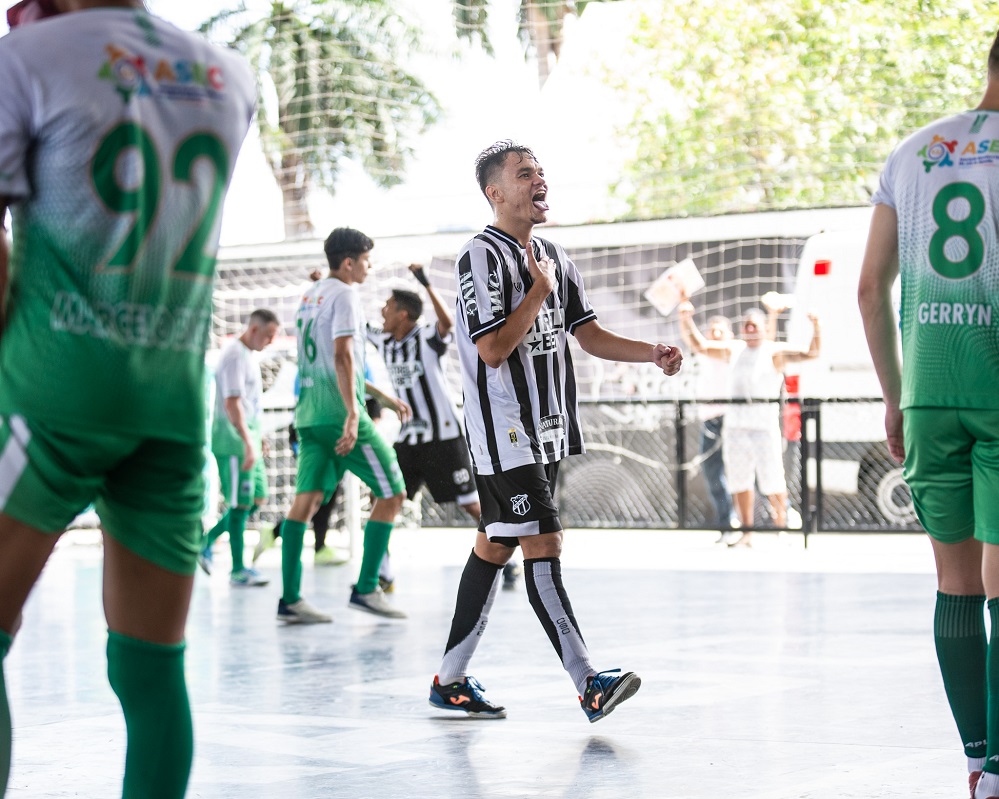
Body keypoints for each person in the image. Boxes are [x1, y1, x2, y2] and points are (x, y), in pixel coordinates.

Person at [0, 1, 255, 795]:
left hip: (51, 395)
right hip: (170, 405)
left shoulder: (27, 58)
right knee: (150, 669)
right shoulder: (230, 74)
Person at [428, 140, 683, 723]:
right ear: (496, 193)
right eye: (525, 174)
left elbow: (588, 335)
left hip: (547, 430)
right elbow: (492, 350)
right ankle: (588, 682)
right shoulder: (479, 257)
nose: (539, 180)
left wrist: (651, 352)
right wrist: (537, 292)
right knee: (544, 542)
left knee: (495, 545)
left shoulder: (555, 256)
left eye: (541, 171)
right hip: (503, 431)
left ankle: (450, 679)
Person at [858, 31, 999, 799]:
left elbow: (867, 288)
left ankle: (976, 761)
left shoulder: (911, 153)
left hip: (927, 395)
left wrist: (893, 393)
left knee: (955, 582)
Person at [276, 227, 410, 623]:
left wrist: (383, 397)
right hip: (339, 417)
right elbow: (342, 356)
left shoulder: (310, 296)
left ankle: (290, 599)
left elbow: (335, 362)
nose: (369, 267)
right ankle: (367, 588)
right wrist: (354, 413)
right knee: (393, 494)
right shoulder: (346, 295)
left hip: (308, 416)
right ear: (349, 262)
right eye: (366, 260)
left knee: (306, 503)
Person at [368, 266, 522, 590]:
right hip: (409, 438)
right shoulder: (383, 340)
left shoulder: (425, 337)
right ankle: (382, 571)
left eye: (388, 306)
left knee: (471, 504)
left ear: (404, 314)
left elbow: (447, 323)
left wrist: (425, 283)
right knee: (382, 497)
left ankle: (507, 558)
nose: (382, 311)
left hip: (443, 438)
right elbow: (349, 326)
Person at [679, 302, 820, 547]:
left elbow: (811, 353)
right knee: (739, 481)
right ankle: (747, 532)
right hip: (736, 428)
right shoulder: (733, 350)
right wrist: (686, 319)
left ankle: (781, 529)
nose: (751, 330)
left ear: (764, 328)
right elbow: (699, 345)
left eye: (755, 326)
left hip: (764, 427)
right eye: (747, 326)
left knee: (773, 480)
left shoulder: (774, 352)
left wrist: (816, 326)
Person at [199, 309, 280, 586]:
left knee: (257, 498)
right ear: (254, 329)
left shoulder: (248, 355)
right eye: (268, 335)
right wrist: (247, 441)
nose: (271, 341)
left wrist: (258, 436)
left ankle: (207, 541)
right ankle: (237, 569)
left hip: (248, 437)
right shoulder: (234, 355)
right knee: (239, 503)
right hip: (233, 441)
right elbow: (232, 403)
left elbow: (247, 404)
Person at [678, 311, 740, 542]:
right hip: (710, 419)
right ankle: (728, 523)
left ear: (729, 334)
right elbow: (691, 339)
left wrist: (687, 319)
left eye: (719, 331)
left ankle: (778, 516)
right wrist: (683, 317)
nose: (714, 334)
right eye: (711, 331)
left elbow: (698, 343)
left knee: (742, 471)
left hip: (728, 417)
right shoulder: (705, 352)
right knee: (713, 472)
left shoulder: (730, 350)